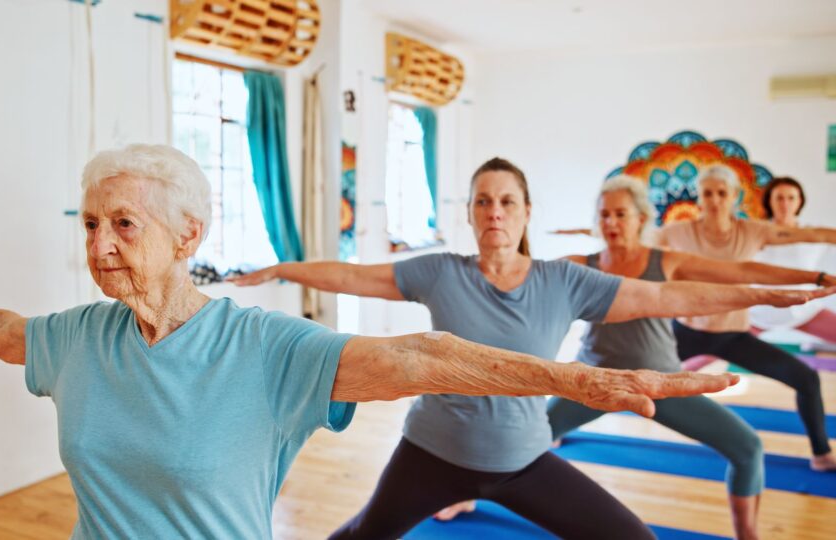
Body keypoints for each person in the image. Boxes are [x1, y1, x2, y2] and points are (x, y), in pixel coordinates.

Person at [0, 145, 740, 539]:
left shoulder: (262, 350)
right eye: (91, 223)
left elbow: (419, 359)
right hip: (441, 455)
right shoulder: (76, 339)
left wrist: (579, 385)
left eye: (123, 224)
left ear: (186, 237)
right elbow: (4, 331)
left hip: (515, 445)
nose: (99, 245)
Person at [231, 157, 827, 539]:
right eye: (483, 201)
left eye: (507, 201)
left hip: (523, 458)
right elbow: (356, 276)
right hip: (431, 453)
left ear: (526, 212)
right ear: (469, 213)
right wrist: (286, 267)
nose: (495, 212)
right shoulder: (440, 272)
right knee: (364, 534)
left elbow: (662, 297)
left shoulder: (562, 280)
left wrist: (765, 294)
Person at [547, 175, 834, 539]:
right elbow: (526, 284)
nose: (612, 223)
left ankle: (748, 534)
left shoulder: (666, 260)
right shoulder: (578, 264)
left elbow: (741, 271)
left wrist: (813, 277)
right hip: (596, 381)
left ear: (640, 218)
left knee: (748, 448)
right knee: (520, 437)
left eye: (621, 214)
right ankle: (463, 494)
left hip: (661, 382)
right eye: (604, 215)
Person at [657, 164, 836, 471]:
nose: (714, 200)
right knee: (625, 372)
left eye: (721, 193)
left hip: (735, 334)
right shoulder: (678, 232)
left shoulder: (753, 232)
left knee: (806, 379)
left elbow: (810, 233)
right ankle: (554, 427)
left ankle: (821, 454)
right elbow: (637, 240)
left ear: (735, 197)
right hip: (686, 330)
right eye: (707, 193)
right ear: (699, 197)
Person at [749, 176, 836, 343]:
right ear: (769, 201)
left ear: (799, 201)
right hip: (759, 311)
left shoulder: (812, 233)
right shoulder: (754, 232)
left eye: (791, 198)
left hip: (804, 309)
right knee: (710, 352)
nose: (785, 204)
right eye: (779, 198)